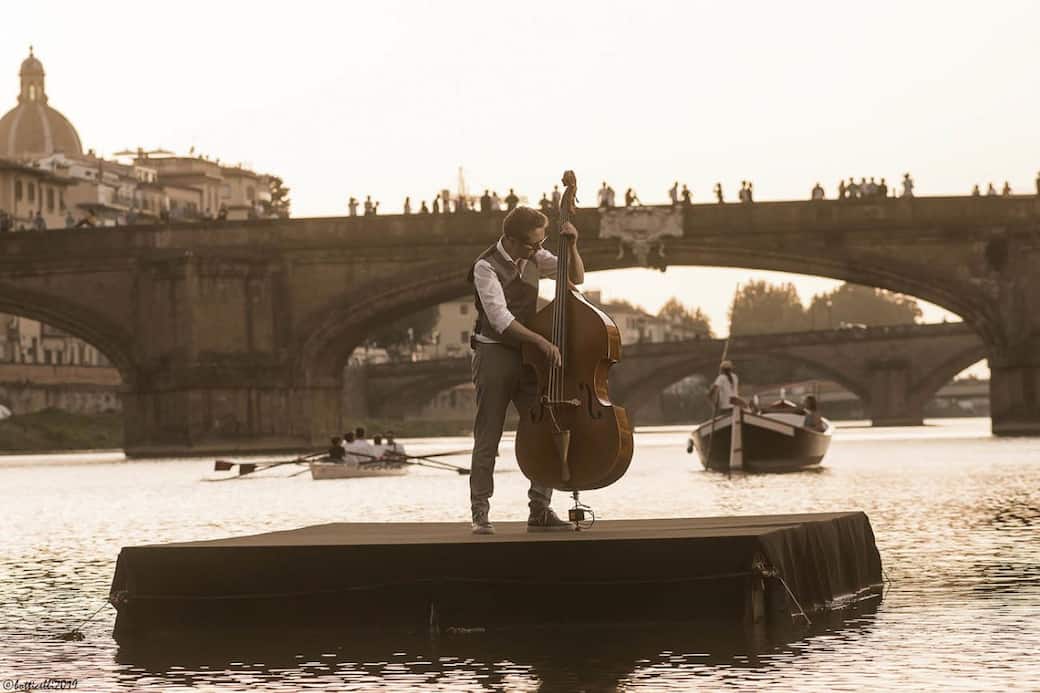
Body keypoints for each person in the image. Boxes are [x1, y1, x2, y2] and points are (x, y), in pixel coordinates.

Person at [466, 206, 584, 535]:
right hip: (493, 353)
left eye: (541, 243)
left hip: (526, 354)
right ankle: (480, 511)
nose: (538, 250)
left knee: (546, 425)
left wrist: (571, 245)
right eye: (533, 245)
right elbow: (500, 320)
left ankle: (540, 509)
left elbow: (574, 277)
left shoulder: (534, 256)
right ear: (510, 240)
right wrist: (542, 342)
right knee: (488, 434)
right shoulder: (485, 267)